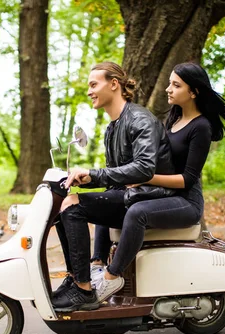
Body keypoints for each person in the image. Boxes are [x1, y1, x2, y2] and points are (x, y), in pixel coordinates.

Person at [99, 62, 225, 287]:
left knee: (137, 213)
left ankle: (111, 277)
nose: (168, 89)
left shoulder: (201, 127)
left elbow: (187, 180)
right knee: (106, 201)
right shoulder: (173, 119)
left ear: (193, 92)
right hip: (163, 194)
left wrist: (144, 178)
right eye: (169, 84)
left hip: (185, 201)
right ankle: (97, 264)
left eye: (176, 85)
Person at [51, 61, 174, 312]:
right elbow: (115, 177)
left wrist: (96, 174)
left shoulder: (140, 119)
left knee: (73, 205)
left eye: (94, 84)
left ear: (114, 84)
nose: (89, 91)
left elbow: (144, 168)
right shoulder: (112, 127)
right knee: (63, 204)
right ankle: (78, 279)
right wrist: (90, 178)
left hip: (149, 198)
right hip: (130, 194)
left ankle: (83, 289)